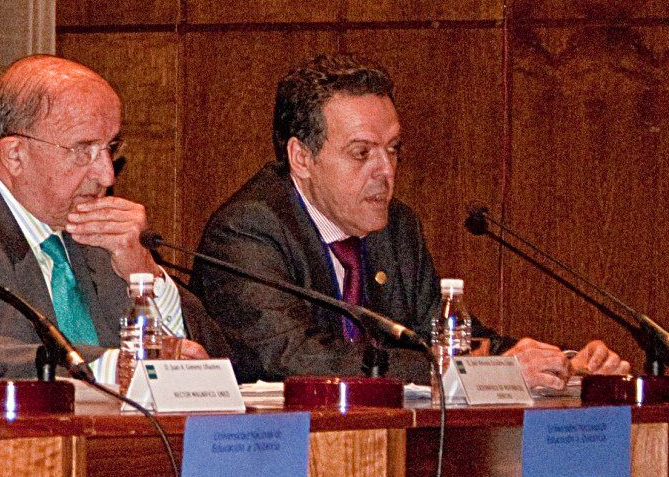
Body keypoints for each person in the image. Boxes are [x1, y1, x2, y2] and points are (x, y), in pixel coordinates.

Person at [194, 54, 628, 386]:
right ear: (302, 158)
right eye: (362, 153)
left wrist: (555, 362)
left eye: (393, 149)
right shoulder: (248, 230)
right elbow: (290, 358)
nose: (385, 170)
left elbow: (445, 334)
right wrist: (458, 369)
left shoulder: (397, 228)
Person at [0, 55, 226, 393]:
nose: (107, 174)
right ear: (15, 155)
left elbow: (220, 363)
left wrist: (146, 274)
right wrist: (108, 367)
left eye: (110, 147)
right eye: (83, 150)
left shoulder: (104, 232)